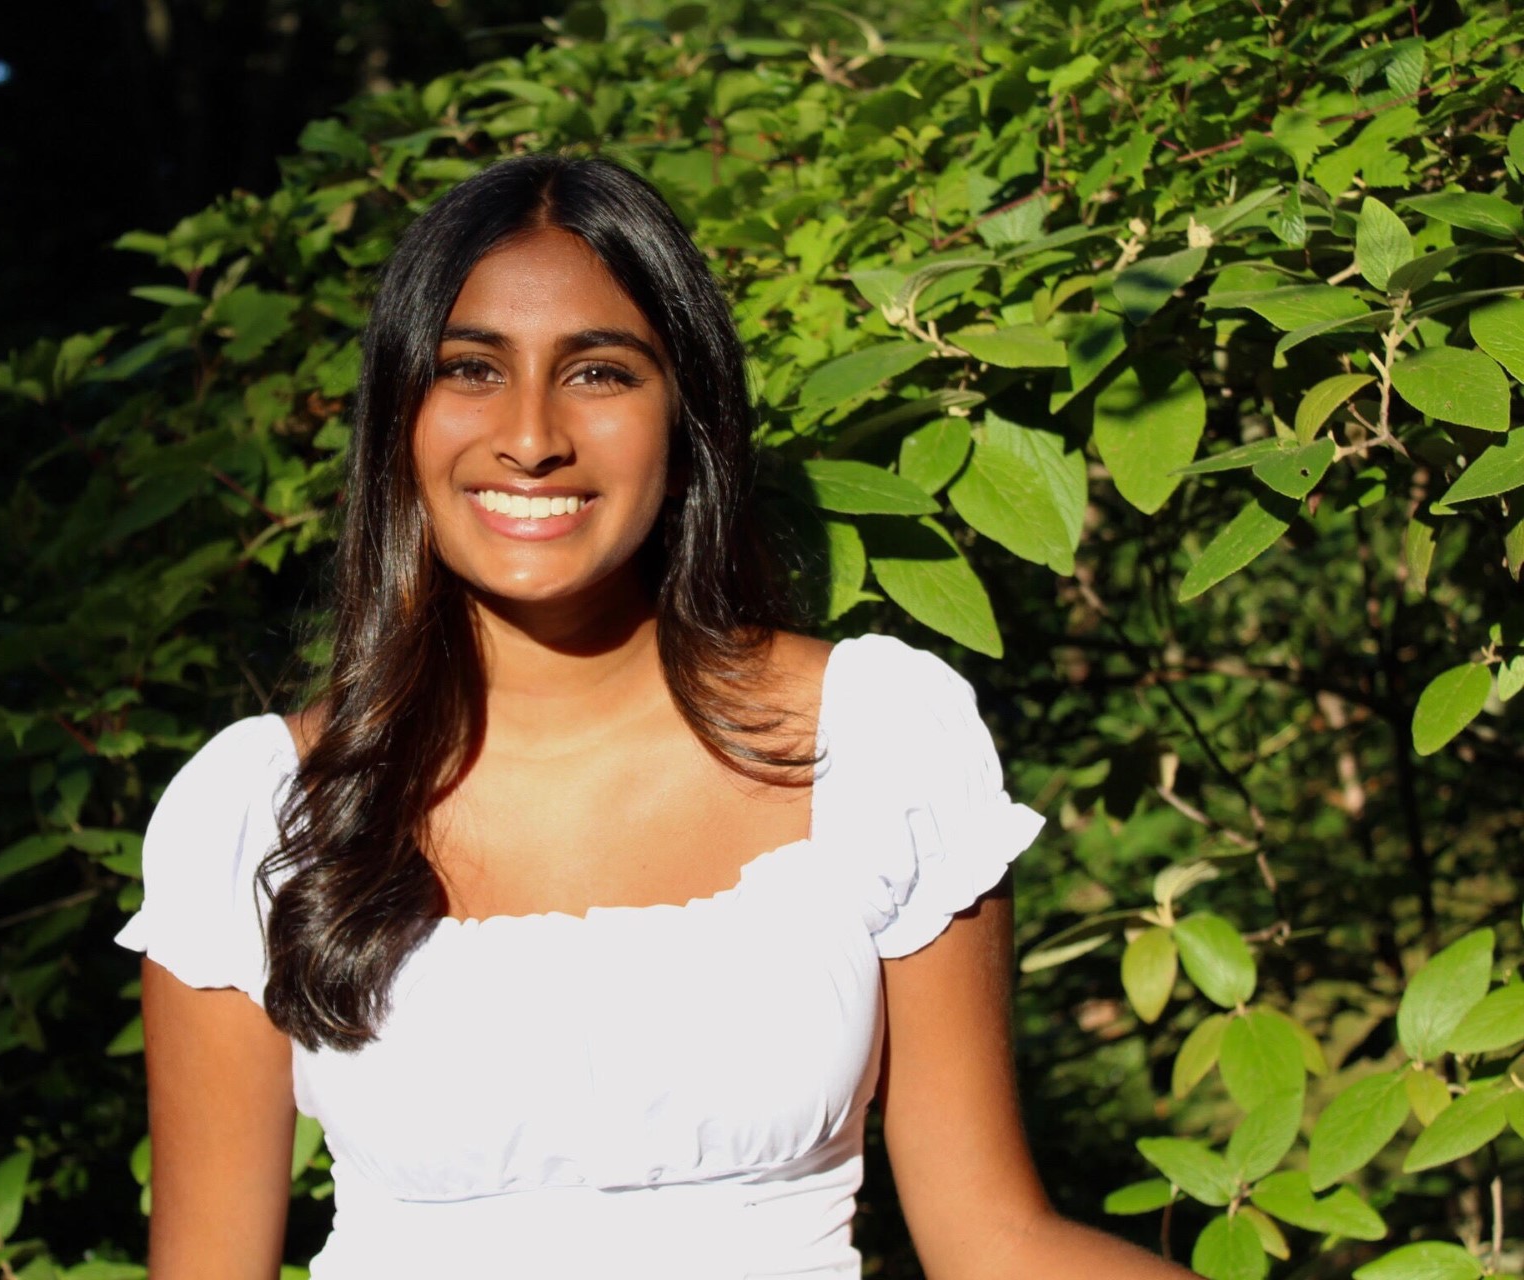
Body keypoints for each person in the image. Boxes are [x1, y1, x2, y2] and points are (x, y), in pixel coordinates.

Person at [115, 153, 1193, 1280]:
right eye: (471, 369)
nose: (530, 436)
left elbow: (995, 1239)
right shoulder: (256, 809)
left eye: (599, 373)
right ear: (400, 418)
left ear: (687, 417)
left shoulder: (877, 740)